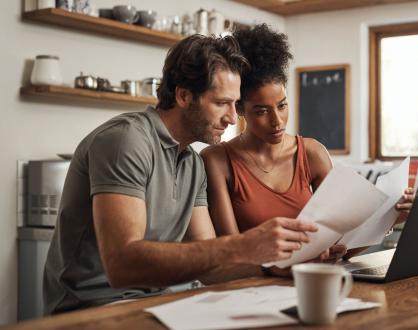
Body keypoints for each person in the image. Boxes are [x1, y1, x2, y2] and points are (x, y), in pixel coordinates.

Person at [43, 34, 319, 314]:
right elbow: (122, 265)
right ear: (184, 95)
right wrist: (244, 245)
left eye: (235, 105)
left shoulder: (192, 163)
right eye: (221, 103)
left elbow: (210, 265)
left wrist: (273, 266)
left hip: (164, 302)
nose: (233, 118)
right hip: (98, 308)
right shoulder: (126, 140)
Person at [200, 24, 415, 264]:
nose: (277, 121)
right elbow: (231, 255)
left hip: (311, 284)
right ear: (239, 108)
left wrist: (391, 217)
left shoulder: (312, 154)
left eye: (282, 105)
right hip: (253, 291)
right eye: (261, 111)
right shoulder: (217, 160)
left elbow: (343, 248)